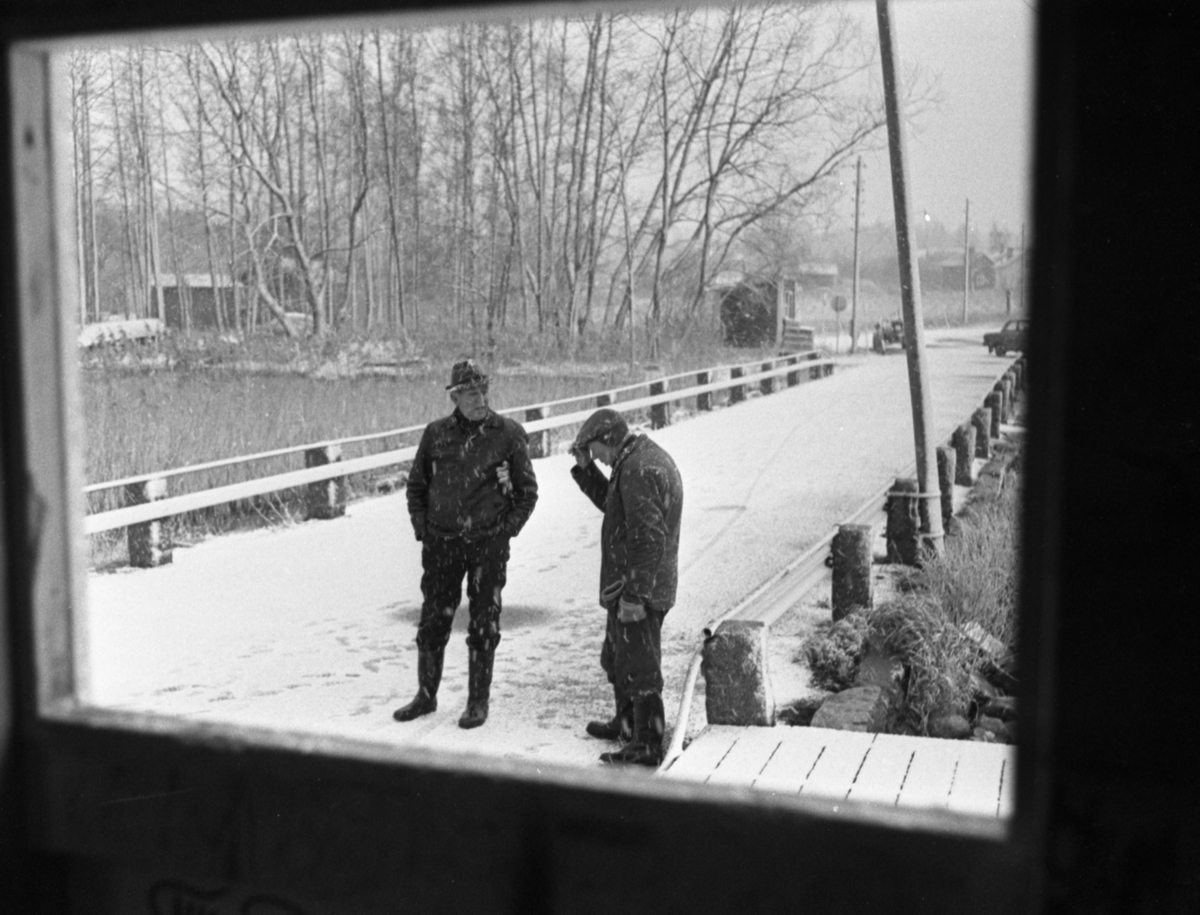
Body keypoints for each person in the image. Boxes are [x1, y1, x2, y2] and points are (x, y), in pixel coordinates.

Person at [394, 359, 538, 729]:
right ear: (455, 398)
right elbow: (416, 487)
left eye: (483, 390)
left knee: (484, 623)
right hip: (441, 545)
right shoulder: (436, 434)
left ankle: (477, 702)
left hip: (487, 545)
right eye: (471, 393)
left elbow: (527, 493)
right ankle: (425, 696)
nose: (480, 399)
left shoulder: (508, 434)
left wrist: (505, 532)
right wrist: (424, 530)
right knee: (433, 621)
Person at [570, 408, 683, 766]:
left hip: (640, 588)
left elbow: (648, 538)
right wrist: (585, 470)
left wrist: (635, 597)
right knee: (620, 658)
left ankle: (647, 743)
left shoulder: (638, 469)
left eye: (595, 452)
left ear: (607, 440)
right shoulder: (635, 459)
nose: (597, 459)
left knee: (640, 666)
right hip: (632, 584)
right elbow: (615, 506)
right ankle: (627, 724)